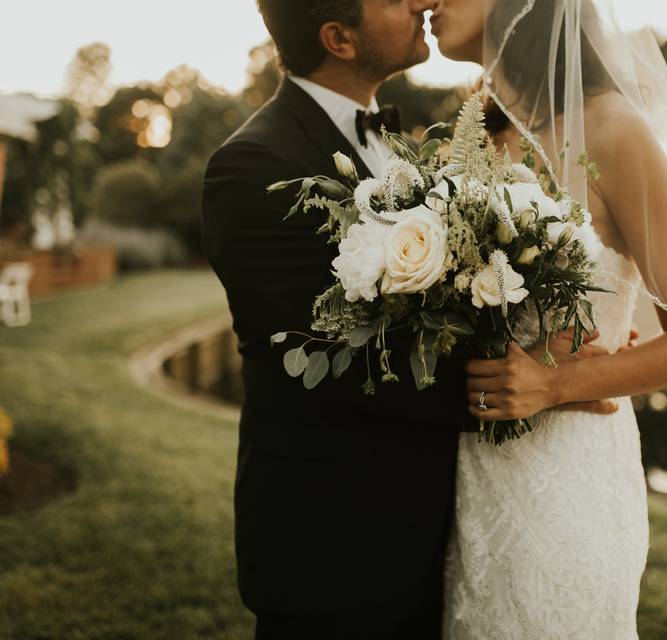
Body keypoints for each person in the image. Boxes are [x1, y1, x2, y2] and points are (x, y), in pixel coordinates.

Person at [202, 1, 619, 637]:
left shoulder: (408, 143)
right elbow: (346, 363)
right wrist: (542, 384)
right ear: (338, 38)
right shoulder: (254, 165)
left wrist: (552, 332)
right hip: (334, 546)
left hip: (438, 527)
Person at [431, 0, 667, 637]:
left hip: (566, 486)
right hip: (470, 479)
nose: (429, 1)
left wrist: (559, 383)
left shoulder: (613, 128)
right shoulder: (477, 138)